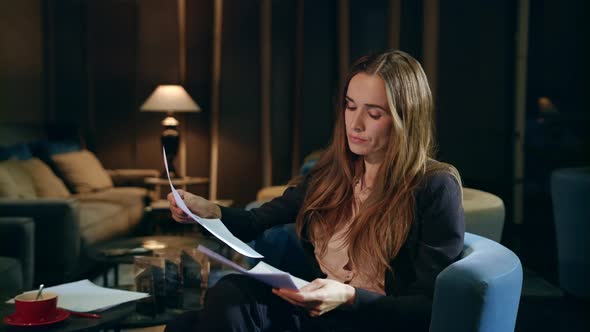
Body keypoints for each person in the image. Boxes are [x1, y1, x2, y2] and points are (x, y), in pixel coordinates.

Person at [165, 49, 464, 332]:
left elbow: (429, 308)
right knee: (206, 310)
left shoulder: (435, 186)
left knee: (217, 311)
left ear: (405, 119)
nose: (355, 124)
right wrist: (209, 211)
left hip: (372, 320)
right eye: (350, 106)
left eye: (374, 114)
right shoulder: (334, 171)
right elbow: (256, 221)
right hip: (320, 314)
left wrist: (349, 296)